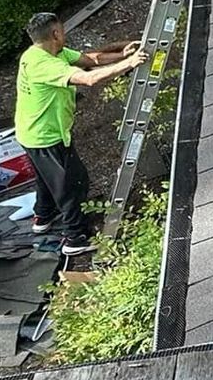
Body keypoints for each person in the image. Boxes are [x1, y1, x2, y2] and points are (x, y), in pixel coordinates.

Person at [14, 13, 144, 255]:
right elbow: (89, 78)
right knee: (72, 184)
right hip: (45, 137)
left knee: (46, 179)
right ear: (55, 34)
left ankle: (43, 217)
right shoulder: (44, 65)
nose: (64, 34)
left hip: (30, 132)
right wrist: (130, 64)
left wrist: (122, 54)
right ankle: (75, 238)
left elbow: (90, 59)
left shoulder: (47, 53)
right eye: (62, 30)